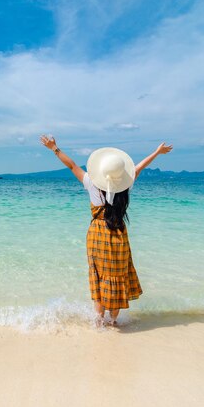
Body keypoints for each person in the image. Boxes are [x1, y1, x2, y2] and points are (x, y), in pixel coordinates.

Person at [39, 135, 173, 327]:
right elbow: (139, 167)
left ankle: (99, 321)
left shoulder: (91, 183)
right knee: (116, 275)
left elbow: (72, 166)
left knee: (99, 275)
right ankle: (113, 320)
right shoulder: (125, 186)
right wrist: (157, 152)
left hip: (97, 235)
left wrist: (55, 148)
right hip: (119, 234)